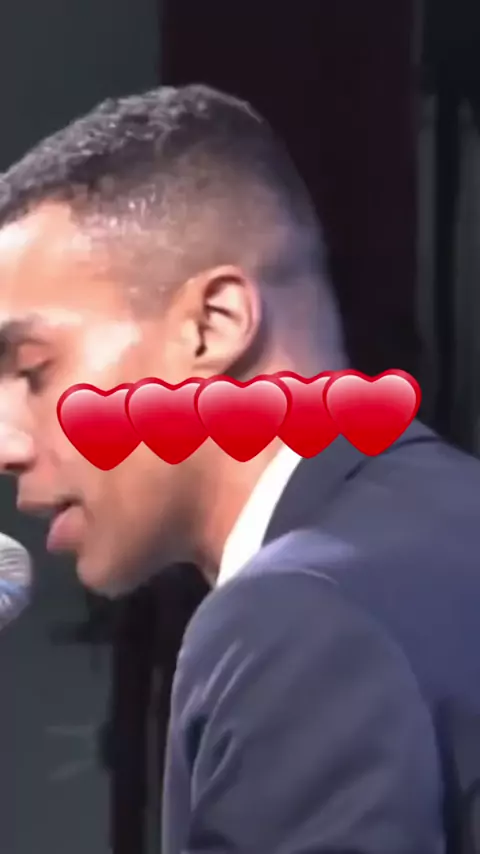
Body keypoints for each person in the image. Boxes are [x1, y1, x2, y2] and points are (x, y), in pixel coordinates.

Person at [0, 83, 478, 853]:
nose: (7, 446)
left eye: (33, 370)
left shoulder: (296, 616)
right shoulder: (443, 523)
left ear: (212, 325)